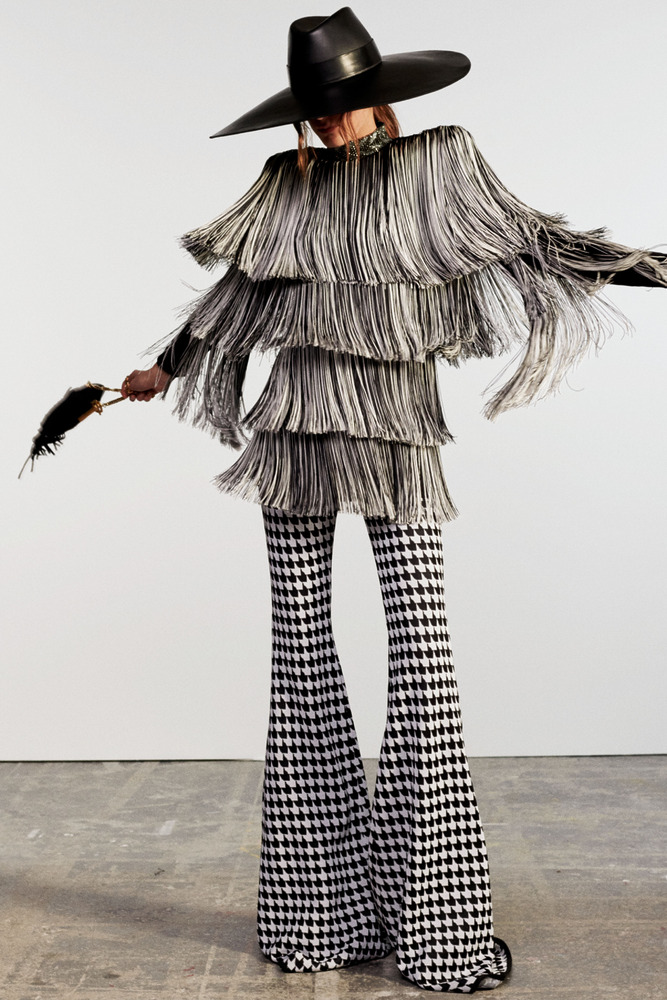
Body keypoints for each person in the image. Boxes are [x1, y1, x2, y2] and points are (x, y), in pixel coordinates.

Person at [121, 8, 666, 993]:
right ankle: (317, 917)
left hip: (398, 439)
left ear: (379, 98)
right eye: (317, 114)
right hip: (293, 437)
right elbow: (237, 295)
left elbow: (531, 243)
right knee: (300, 656)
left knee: (421, 662)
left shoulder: (438, 166)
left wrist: (645, 267)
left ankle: (440, 935)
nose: (332, 126)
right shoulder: (286, 186)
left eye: (344, 107)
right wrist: (166, 366)